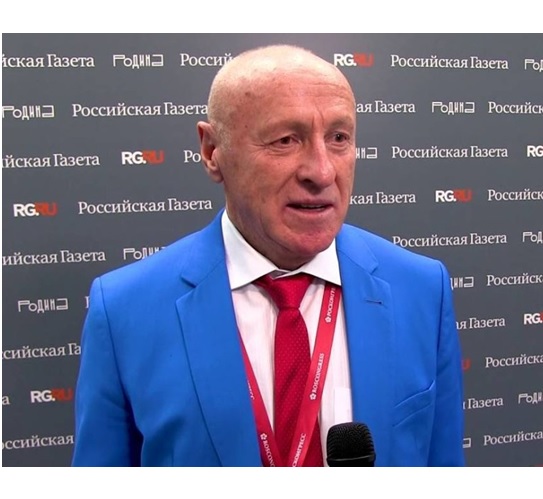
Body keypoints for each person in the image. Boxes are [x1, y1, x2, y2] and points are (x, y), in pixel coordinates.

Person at [72, 44, 464, 467]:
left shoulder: (421, 288)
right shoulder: (125, 309)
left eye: (338, 138)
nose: (322, 172)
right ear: (212, 151)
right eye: (285, 140)